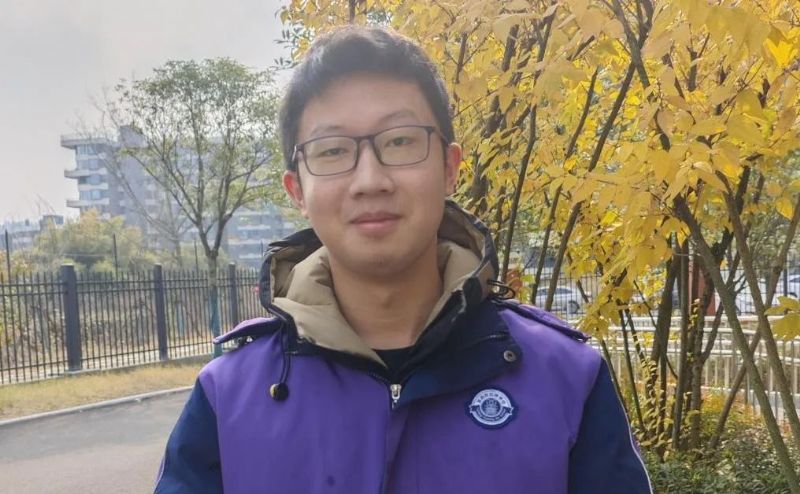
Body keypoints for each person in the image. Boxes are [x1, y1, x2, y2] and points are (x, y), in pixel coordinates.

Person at [154, 25, 652, 494]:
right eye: (332, 151)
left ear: (450, 168)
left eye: (399, 141)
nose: (370, 180)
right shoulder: (229, 397)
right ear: (297, 190)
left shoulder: (565, 377)